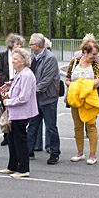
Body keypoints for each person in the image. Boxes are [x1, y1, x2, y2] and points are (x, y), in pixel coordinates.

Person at [1, 48, 38, 178]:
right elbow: (16, 91)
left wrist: (8, 102)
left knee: (20, 140)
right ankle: (12, 165)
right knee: (11, 139)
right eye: (13, 58)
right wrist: (8, 94)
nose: (12, 61)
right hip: (14, 112)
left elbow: (24, 97)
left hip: (22, 113)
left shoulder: (27, 75)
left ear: (23, 61)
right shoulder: (18, 74)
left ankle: (23, 169)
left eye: (15, 59)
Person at [65, 39, 99, 165]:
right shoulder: (74, 62)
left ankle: (93, 154)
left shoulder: (96, 65)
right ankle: (80, 152)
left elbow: (97, 81)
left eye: (96, 54)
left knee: (91, 126)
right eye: (93, 54)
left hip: (90, 100)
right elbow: (67, 79)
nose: (94, 57)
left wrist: (82, 86)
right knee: (77, 126)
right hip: (75, 99)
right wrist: (73, 86)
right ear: (85, 52)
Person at [27, 33, 61, 165]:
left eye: (31, 44)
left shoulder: (50, 58)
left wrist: (29, 91)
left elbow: (46, 80)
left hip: (48, 98)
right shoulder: (31, 57)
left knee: (51, 127)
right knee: (33, 125)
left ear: (38, 45)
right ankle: (29, 150)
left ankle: (54, 153)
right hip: (35, 98)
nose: (29, 46)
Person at [0, 33, 24, 146]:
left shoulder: (23, 57)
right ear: (11, 45)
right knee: (5, 112)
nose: (19, 46)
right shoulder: (3, 56)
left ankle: (14, 135)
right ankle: (6, 135)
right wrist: (7, 81)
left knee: (16, 111)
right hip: (6, 86)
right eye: (17, 44)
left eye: (21, 44)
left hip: (17, 87)